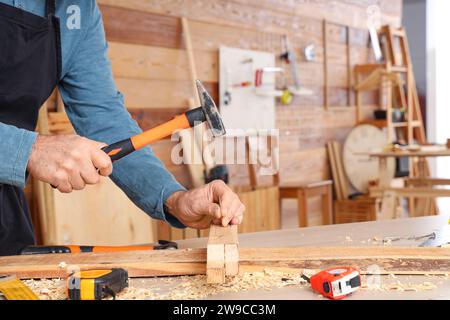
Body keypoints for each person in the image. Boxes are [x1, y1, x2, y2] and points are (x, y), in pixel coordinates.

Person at [0, 0, 244, 256]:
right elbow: (28, 150)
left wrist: (174, 199)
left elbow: (104, 118)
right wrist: (27, 150)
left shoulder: (81, 11)